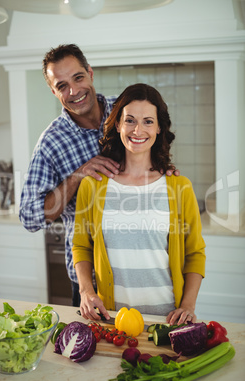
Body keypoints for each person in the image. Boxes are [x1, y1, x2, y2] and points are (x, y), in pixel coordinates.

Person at [19, 44, 179, 307]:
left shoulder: (126, 111)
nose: (73, 91)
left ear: (90, 74)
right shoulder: (52, 142)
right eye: (61, 86)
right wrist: (77, 177)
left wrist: (165, 168)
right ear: (53, 91)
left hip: (145, 270)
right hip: (90, 280)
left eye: (78, 78)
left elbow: (155, 144)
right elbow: (30, 217)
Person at [72, 83, 206, 325]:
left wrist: (187, 305)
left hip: (166, 319)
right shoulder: (93, 185)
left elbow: (195, 253)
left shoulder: (179, 186)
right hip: (111, 319)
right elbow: (81, 246)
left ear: (158, 129)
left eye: (148, 121)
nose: (138, 130)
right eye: (130, 120)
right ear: (118, 124)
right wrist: (85, 291)